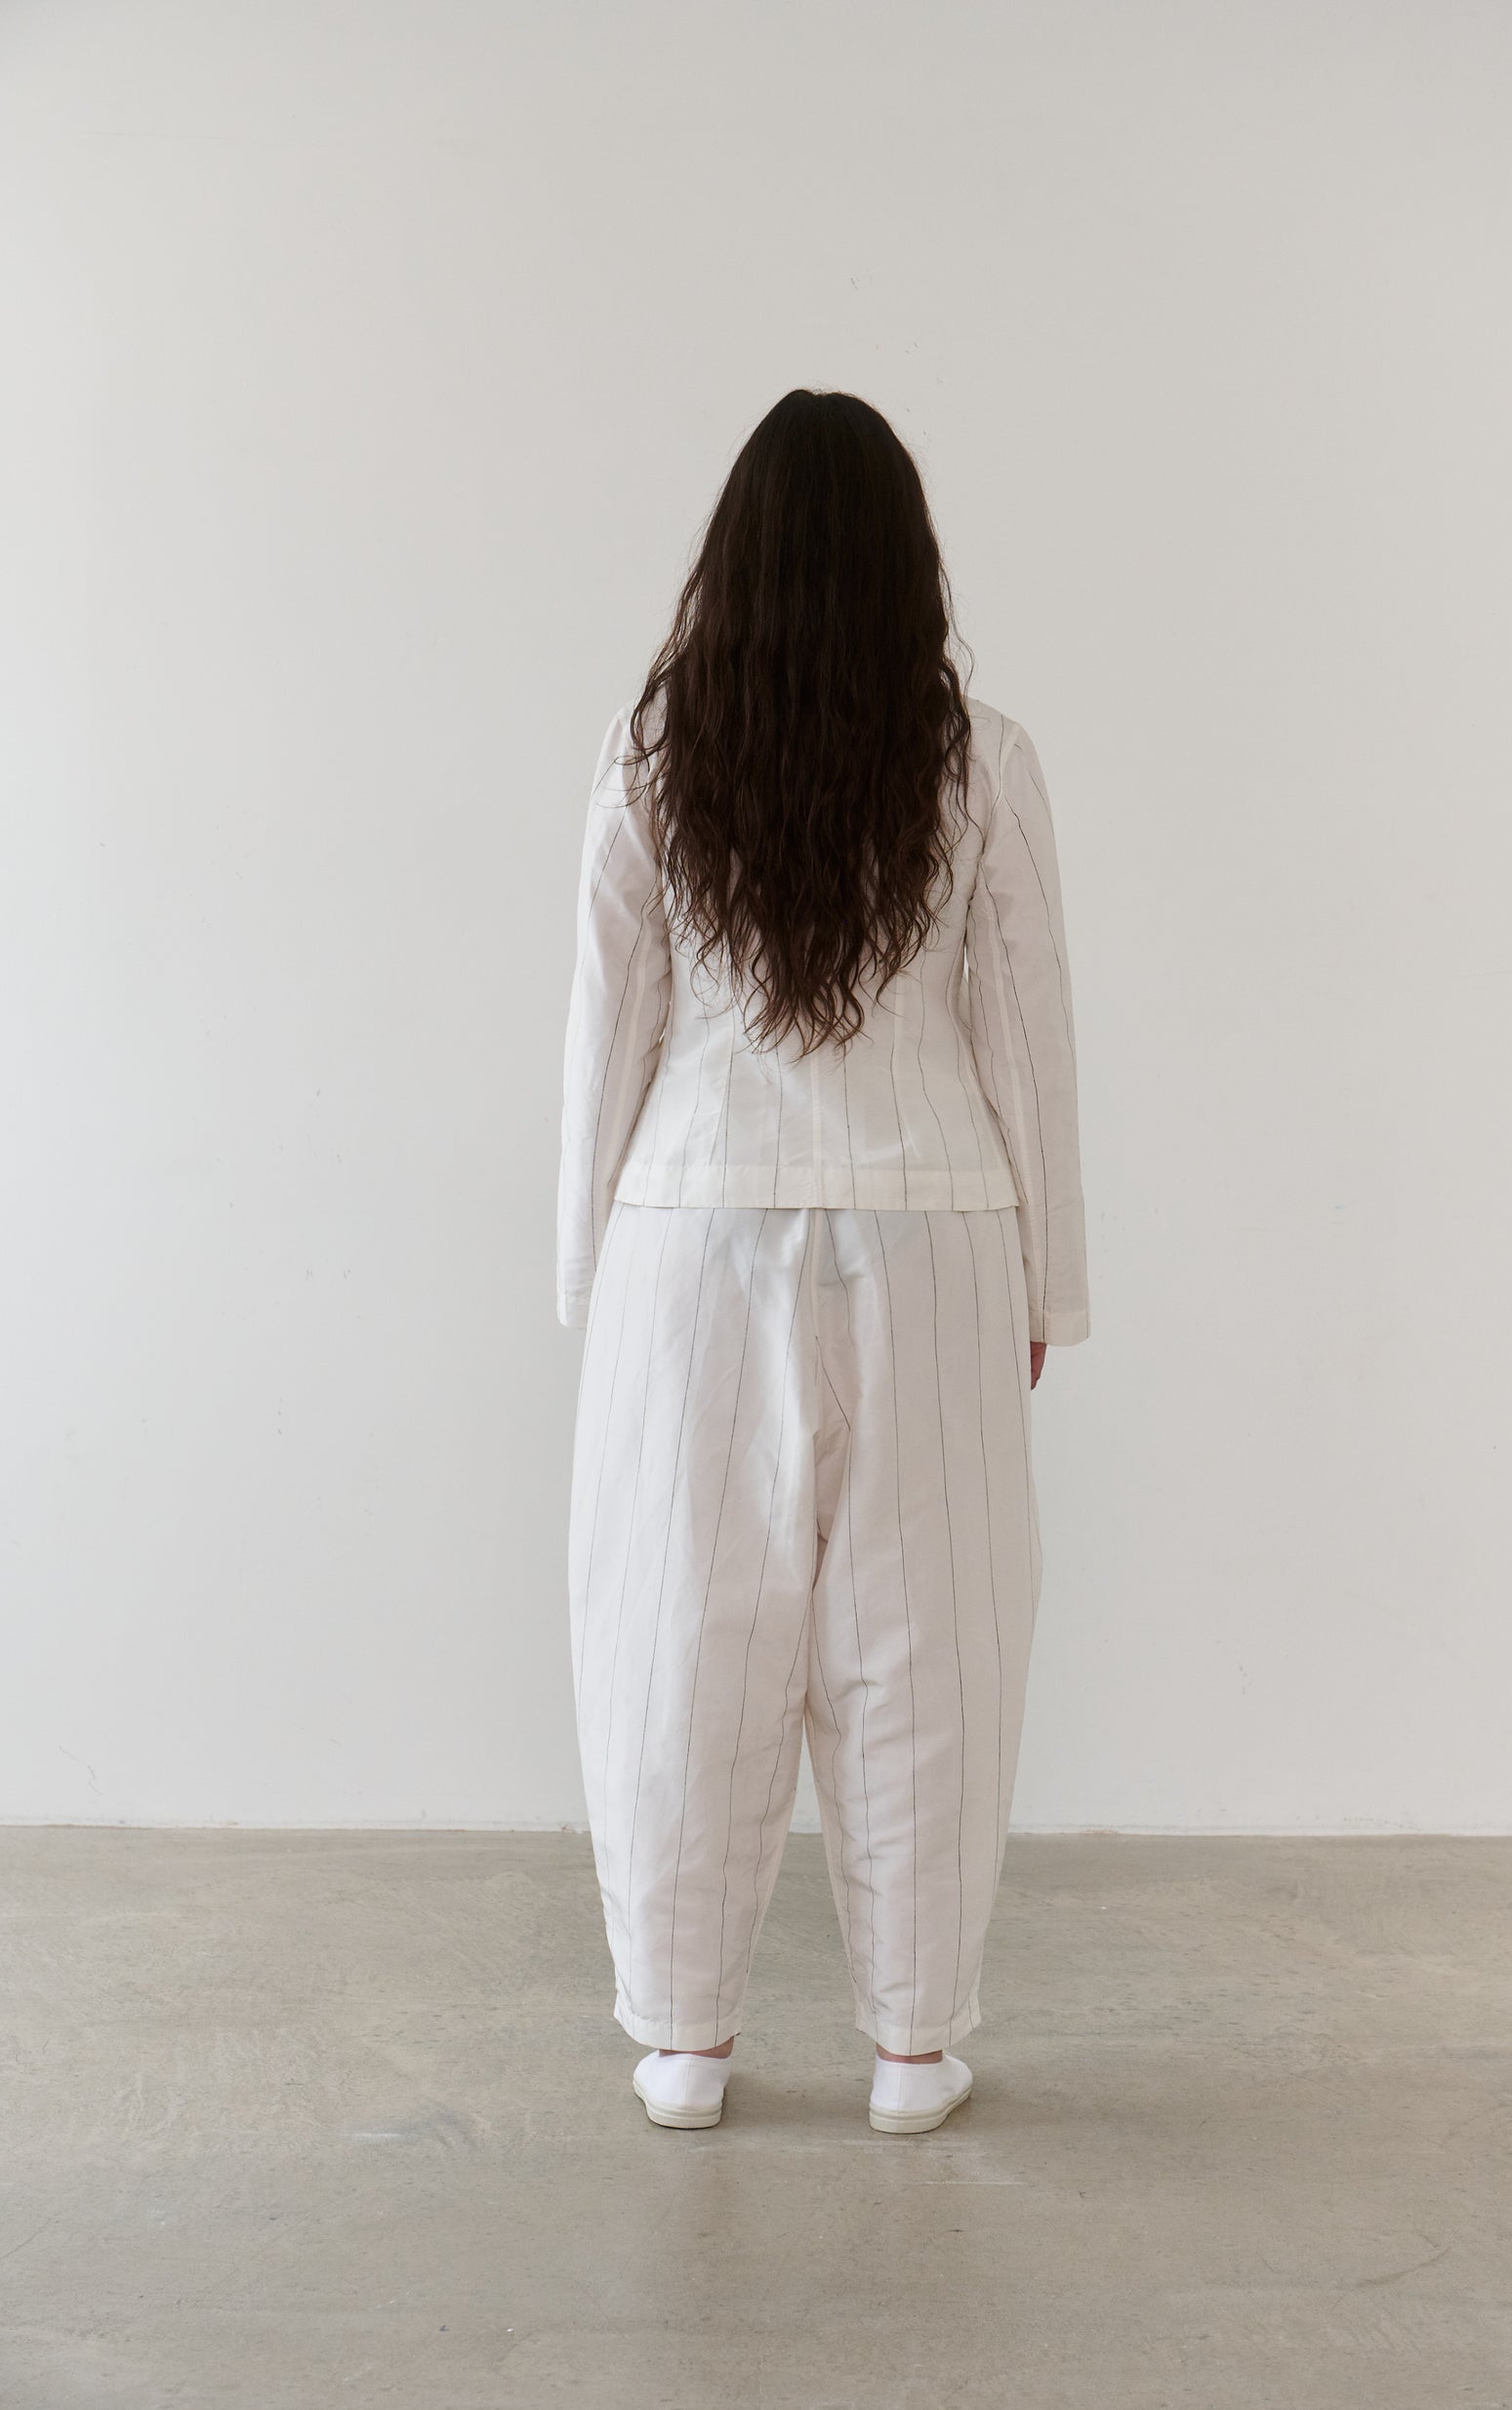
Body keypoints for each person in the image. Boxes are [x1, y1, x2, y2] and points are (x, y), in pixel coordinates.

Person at [557, 388, 1088, 2136]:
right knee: (929, 1640)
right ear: (904, 562)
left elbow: (607, 1033)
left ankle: (686, 2038)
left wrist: (587, 1280)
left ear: (736, 557)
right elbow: (1026, 1035)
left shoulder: (653, 756)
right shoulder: (981, 759)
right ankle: (912, 2048)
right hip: (933, 1225)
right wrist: (1046, 1282)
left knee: (680, 1628)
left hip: (691, 1230)